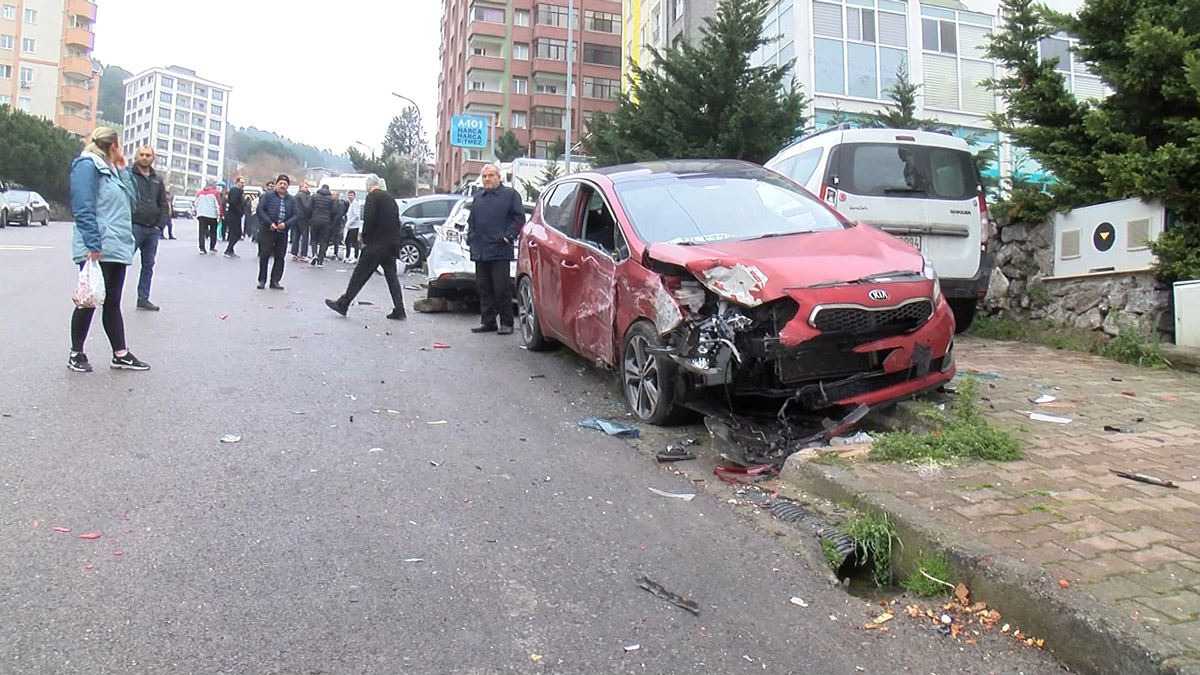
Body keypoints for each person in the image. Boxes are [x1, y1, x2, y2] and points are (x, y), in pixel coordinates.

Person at [67, 127, 151, 372]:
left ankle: (120, 354)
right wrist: (92, 243)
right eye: (120, 145)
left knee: (112, 302)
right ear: (113, 145)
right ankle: (76, 353)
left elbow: (133, 201)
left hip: (116, 245)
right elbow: (82, 206)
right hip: (98, 246)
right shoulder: (87, 166)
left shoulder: (113, 171)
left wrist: (123, 170)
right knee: (88, 299)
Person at [325, 174, 407, 320]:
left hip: (376, 244)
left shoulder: (372, 197)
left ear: (368, 186)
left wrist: (364, 239)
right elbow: (396, 222)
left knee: (359, 275)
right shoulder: (390, 199)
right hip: (390, 244)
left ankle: (343, 304)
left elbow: (369, 220)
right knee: (392, 277)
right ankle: (399, 309)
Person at [467, 163, 524, 335]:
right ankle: (488, 321)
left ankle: (507, 322)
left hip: (500, 249)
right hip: (480, 250)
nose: (487, 179)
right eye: (484, 176)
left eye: (491, 175)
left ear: (499, 177)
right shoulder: (478, 198)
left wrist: (508, 236)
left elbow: (519, 218)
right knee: (484, 288)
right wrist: (471, 238)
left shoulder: (510, 195)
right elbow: (472, 221)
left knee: (501, 288)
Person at [129, 146, 170, 311]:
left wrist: (159, 225)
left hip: (152, 229)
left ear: (153, 158)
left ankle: (143, 298)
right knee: (120, 262)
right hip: (134, 227)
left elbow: (162, 203)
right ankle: (108, 296)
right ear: (137, 156)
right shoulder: (129, 175)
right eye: (142, 155)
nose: (145, 158)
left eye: (148, 155)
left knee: (148, 265)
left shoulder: (157, 179)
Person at [256, 174, 298, 289]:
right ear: (277, 184)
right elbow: (260, 209)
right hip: (268, 229)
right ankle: (262, 280)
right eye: (281, 183)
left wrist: (286, 224)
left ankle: (275, 281)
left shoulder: (292, 200)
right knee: (264, 255)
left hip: (283, 232)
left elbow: (296, 215)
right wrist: (269, 223)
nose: (283, 186)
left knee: (280, 257)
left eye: (285, 184)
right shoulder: (268, 196)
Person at [308, 184, 337, 267]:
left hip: (315, 220)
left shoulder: (314, 197)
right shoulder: (331, 199)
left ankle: (314, 254)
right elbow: (334, 211)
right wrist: (330, 218)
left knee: (314, 239)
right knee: (323, 241)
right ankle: (320, 260)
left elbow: (308, 207)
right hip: (326, 222)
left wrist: (310, 217)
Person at [194, 180, 223, 254]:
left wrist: (195, 211)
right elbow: (218, 204)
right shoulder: (215, 193)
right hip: (212, 215)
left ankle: (202, 248)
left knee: (201, 232)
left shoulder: (200, 193)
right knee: (213, 231)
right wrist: (220, 214)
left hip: (201, 214)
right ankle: (212, 247)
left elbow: (195, 203)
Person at [224, 176, 246, 258]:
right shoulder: (234, 191)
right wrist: (240, 211)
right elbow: (233, 202)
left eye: (244, 183)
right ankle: (229, 249)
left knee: (235, 233)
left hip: (236, 215)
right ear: (237, 183)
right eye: (241, 182)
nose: (243, 184)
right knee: (236, 233)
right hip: (233, 215)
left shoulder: (239, 191)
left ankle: (230, 249)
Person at [291, 182, 312, 262]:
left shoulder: (296, 195)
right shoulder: (302, 195)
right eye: (306, 187)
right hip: (303, 217)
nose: (307, 189)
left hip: (296, 217)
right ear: (301, 187)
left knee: (296, 235)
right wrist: (309, 216)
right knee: (305, 235)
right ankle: (303, 254)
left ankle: (294, 253)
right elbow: (306, 206)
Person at [343, 190, 362, 264]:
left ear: (354, 196)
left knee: (354, 242)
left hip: (354, 226)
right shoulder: (351, 204)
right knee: (347, 241)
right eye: (349, 195)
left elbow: (356, 215)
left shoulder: (355, 204)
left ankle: (355, 257)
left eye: (351, 195)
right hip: (350, 227)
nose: (350, 197)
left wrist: (349, 222)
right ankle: (347, 256)